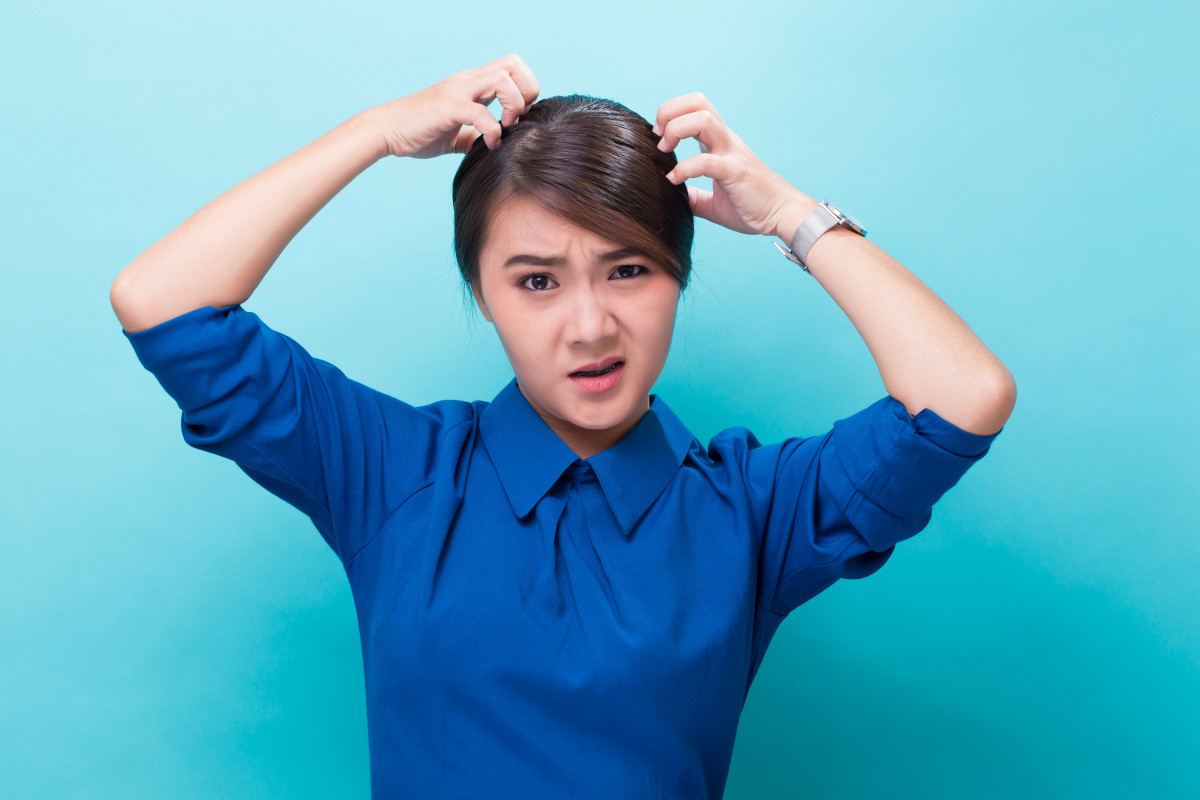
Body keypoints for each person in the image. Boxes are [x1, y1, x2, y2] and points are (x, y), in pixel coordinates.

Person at [111, 54, 1016, 800]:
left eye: (629, 271)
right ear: (484, 296)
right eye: (536, 280)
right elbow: (162, 301)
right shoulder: (393, 474)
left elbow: (965, 395)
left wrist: (794, 217)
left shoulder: (752, 511)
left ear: (679, 276)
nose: (589, 326)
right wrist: (378, 133)